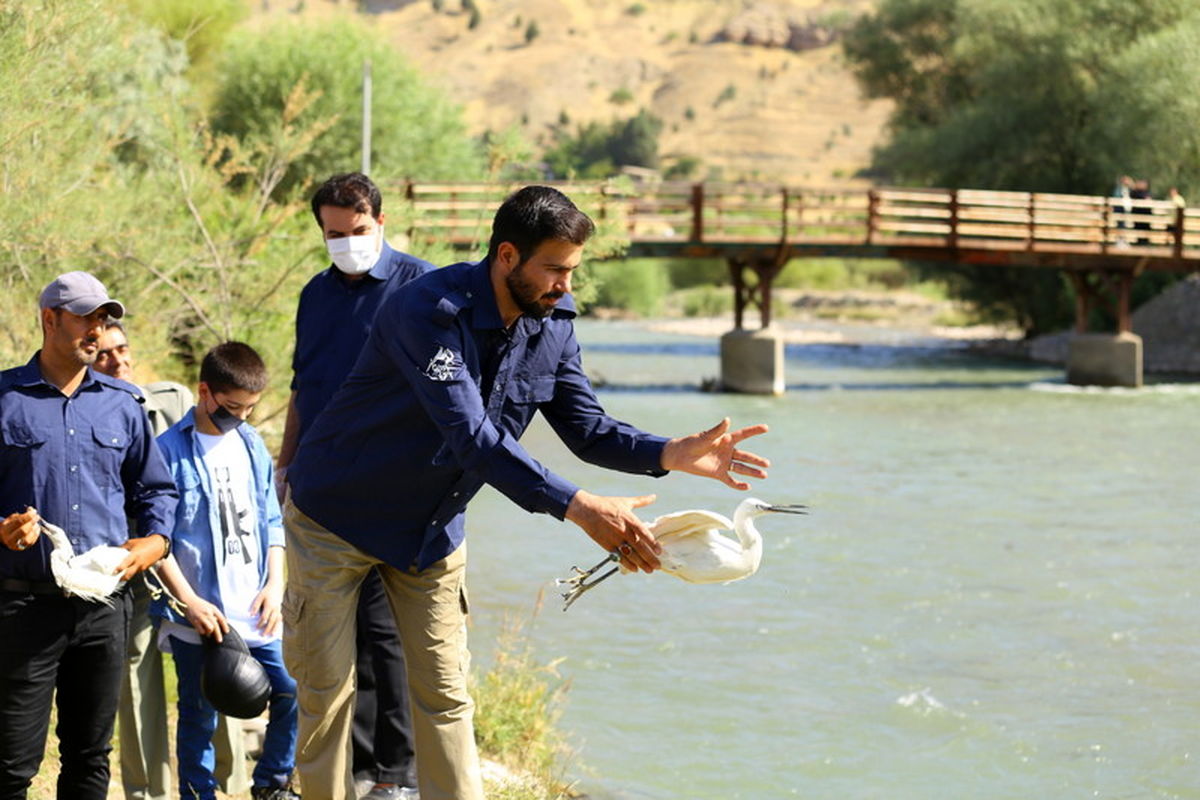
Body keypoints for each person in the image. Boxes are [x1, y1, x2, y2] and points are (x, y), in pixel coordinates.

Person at [283, 186, 771, 800]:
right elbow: (475, 441)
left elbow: (588, 429)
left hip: (429, 530)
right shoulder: (426, 312)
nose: (565, 285)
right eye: (555, 269)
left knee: (446, 695)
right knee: (328, 693)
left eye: (572, 271)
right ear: (507, 256)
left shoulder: (553, 323)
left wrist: (669, 453)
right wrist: (581, 508)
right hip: (336, 515)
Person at [278, 172, 431, 800]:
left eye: (358, 230)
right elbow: (301, 386)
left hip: (392, 489)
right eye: (334, 234)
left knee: (387, 632)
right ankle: (352, 766)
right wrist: (285, 465)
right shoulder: (315, 294)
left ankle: (396, 772)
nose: (347, 243)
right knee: (330, 634)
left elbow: (445, 393)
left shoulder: (419, 287)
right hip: (321, 491)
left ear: (382, 222)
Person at [0, 270, 178, 799]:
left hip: (104, 611)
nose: (97, 330)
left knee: (89, 758)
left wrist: (155, 543)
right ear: (50, 319)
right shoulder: (4, 398)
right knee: (11, 765)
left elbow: (157, 492)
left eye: (104, 319)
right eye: (86, 317)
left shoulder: (123, 403)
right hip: (23, 608)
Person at [94, 321, 250, 800]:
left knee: (223, 665)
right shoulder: (86, 412)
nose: (118, 360)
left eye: (123, 349)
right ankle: (148, 791)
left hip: (191, 571)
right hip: (129, 567)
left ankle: (230, 783)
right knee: (137, 683)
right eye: (103, 355)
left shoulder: (174, 399)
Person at [152, 342, 299, 800]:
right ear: (205, 392)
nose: (243, 417)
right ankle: (199, 794)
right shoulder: (166, 452)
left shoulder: (251, 442)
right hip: (199, 615)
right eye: (233, 407)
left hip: (257, 611)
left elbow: (272, 520)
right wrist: (190, 602)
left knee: (291, 693)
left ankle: (271, 786)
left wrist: (276, 585)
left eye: (251, 408)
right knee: (198, 714)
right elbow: (158, 543)